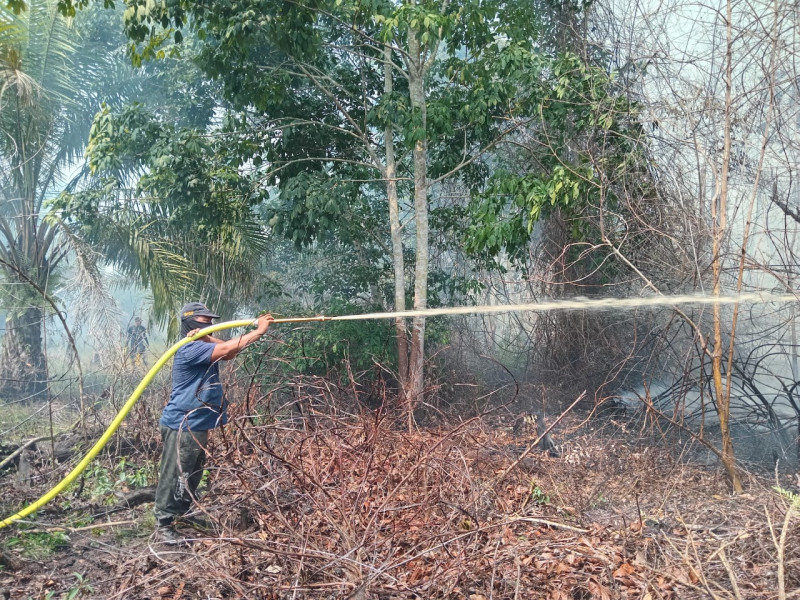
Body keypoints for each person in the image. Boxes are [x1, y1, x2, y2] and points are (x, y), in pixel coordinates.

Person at [153, 301, 274, 545]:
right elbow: (229, 347)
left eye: (210, 320)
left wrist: (207, 338)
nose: (209, 323)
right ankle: (165, 524)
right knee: (176, 474)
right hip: (182, 423)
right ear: (190, 321)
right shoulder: (189, 349)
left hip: (197, 422)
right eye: (203, 320)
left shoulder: (201, 344)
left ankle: (183, 516)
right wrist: (259, 331)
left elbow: (229, 353)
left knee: (192, 472)